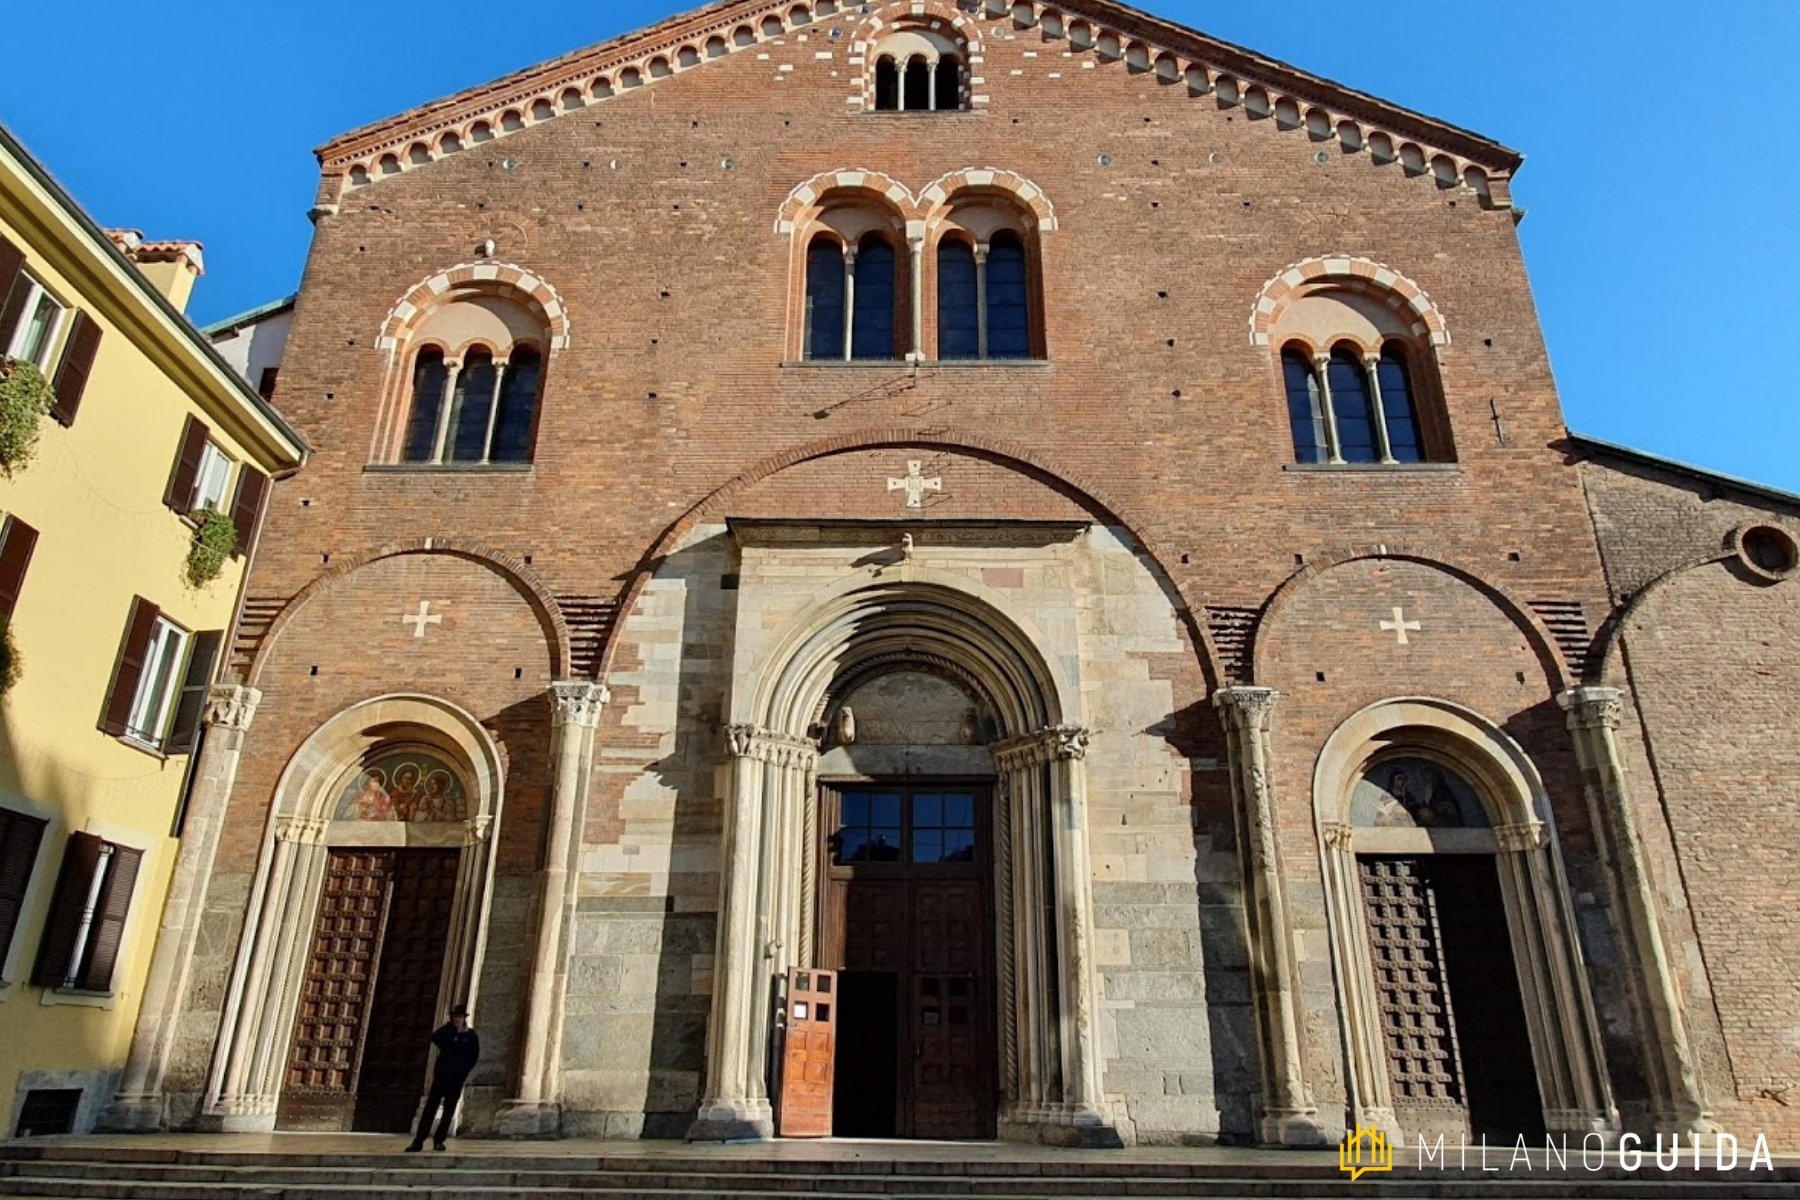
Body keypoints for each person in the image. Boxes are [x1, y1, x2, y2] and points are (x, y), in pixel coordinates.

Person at [405, 1003, 479, 1152]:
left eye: (459, 1017)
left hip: (457, 1077)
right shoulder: (447, 1032)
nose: (457, 1019)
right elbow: (436, 1038)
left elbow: (474, 1055)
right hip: (441, 1076)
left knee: (449, 1110)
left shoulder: (470, 1035)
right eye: (455, 1017)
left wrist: (464, 1071)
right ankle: (419, 1140)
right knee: (430, 1108)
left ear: (464, 1018)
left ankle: (439, 1140)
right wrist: (452, 1030)